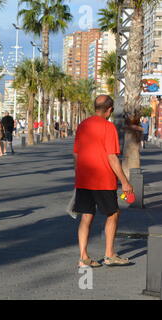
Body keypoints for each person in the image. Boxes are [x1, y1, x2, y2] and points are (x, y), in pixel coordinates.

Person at [73, 95, 133, 268]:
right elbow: (112, 157)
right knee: (113, 214)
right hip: (103, 179)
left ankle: (83, 257)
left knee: (86, 216)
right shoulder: (108, 127)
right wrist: (125, 182)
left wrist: (78, 175)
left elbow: (76, 154)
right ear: (110, 110)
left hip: (84, 178)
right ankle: (109, 254)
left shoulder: (83, 125)